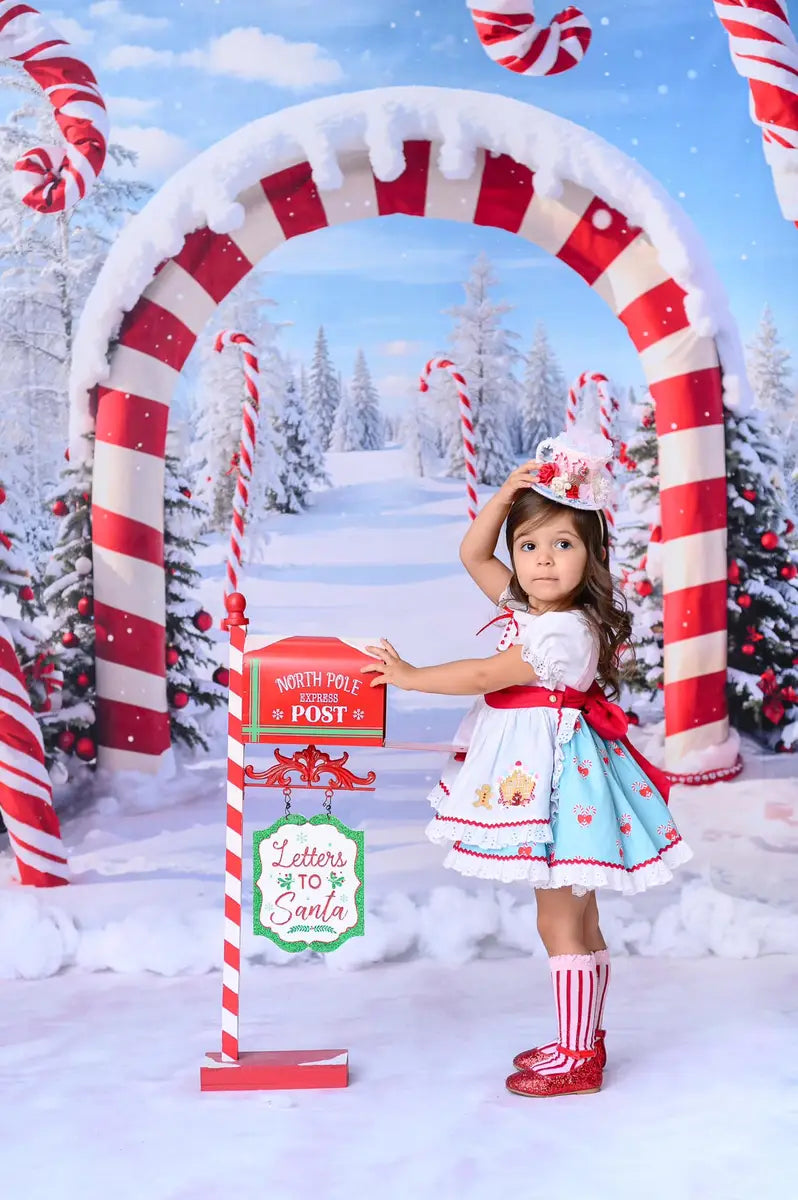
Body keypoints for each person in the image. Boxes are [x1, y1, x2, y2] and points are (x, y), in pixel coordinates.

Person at [362, 427, 692, 1098]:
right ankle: (581, 1041)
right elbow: (471, 553)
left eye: (562, 545)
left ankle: (579, 1056)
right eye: (529, 546)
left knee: (560, 919)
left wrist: (410, 675)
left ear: (592, 555)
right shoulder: (531, 608)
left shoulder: (564, 629)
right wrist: (508, 494)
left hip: (557, 792)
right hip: (551, 784)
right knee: (577, 918)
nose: (542, 561)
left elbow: (488, 670)